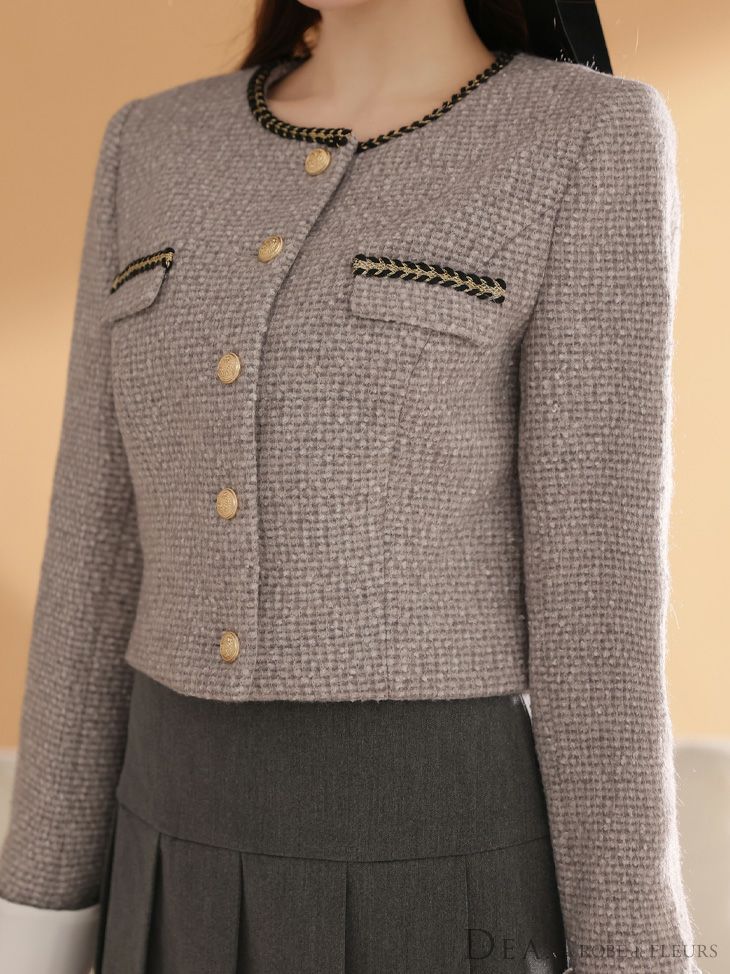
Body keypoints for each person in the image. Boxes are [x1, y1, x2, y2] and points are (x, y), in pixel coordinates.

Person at [0, 1, 701, 972]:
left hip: (436, 869)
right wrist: (35, 912)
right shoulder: (150, 142)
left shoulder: (585, 134)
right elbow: (91, 552)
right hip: (162, 858)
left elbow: (598, 593)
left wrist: (631, 951)